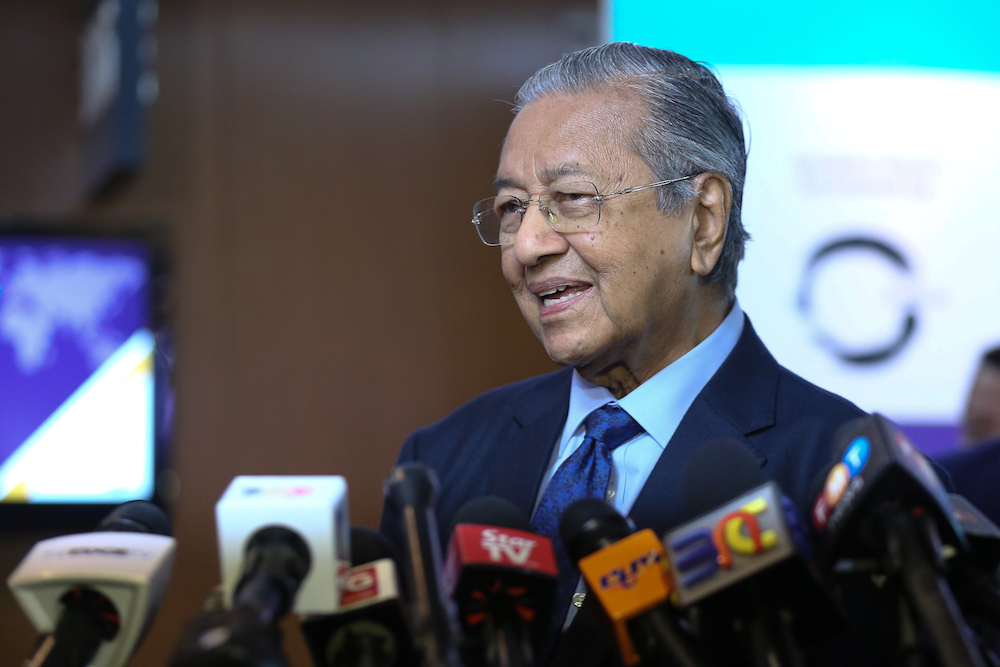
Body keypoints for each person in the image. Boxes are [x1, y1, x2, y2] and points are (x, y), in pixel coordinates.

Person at [380, 42, 867, 666]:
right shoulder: (440, 463)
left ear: (704, 220)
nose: (527, 245)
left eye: (573, 199)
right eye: (512, 208)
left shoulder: (840, 482)